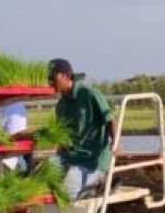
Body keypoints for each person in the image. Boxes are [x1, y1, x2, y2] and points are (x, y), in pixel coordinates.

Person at [48, 58, 117, 198]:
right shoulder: (60, 106)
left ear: (66, 76)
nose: (49, 82)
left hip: (91, 161)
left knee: (67, 189)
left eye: (52, 78)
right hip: (70, 158)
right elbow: (63, 136)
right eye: (48, 79)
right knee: (43, 173)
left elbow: (110, 119)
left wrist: (115, 142)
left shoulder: (89, 94)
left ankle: (98, 182)